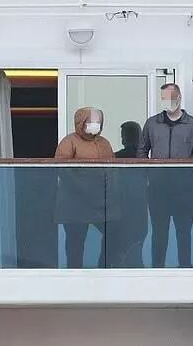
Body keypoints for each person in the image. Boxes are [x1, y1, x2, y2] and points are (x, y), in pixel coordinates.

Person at [137, 83, 193, 268]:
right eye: (163, 98)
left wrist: (188, 174)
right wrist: (150, 173)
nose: (166, 102)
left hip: (184, 190)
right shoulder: (152, 123)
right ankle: (157, 270)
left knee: (184, 232)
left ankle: (185, 268)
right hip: (158, 189)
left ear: (179, 98)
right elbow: (142, 151)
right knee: (159, 232)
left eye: (169, 98)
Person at [54, 107, 116, 269]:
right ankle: (75, 274)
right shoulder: (69, 142)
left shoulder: (104, 143)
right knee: (75, 242)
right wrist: (83, 189)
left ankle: (104, 268)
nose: (96, 124)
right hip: (75, 203)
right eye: (92, 121)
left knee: (113, 233)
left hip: (101, 202)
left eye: (98, 121)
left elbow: (113, 168)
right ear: (81, 122)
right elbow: (62, 169)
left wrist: (110, 188)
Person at [111, 121, 148, 268]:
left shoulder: (116, 157)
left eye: (123, 135)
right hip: (139, 207)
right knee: (136, 245)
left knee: (119, 244)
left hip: (123, 206)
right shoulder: (146, 158)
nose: (122, 139)